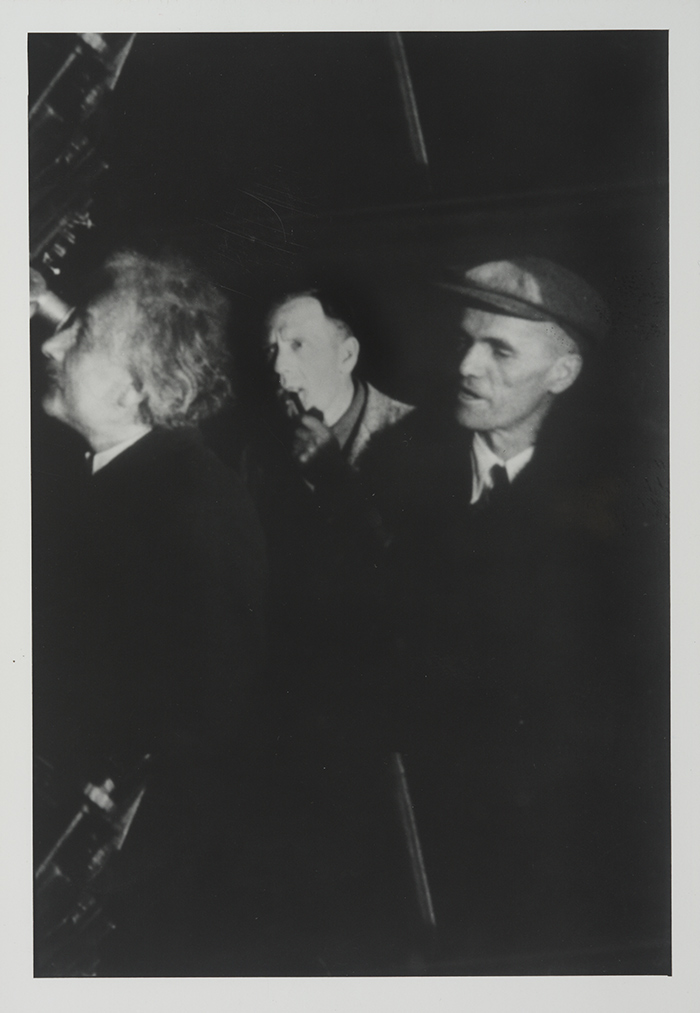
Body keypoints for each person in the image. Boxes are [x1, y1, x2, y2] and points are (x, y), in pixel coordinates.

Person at [370, 257, 669, 973]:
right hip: (415, 840)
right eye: (465, 339)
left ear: (563, 372)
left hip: (562, 860)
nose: (466, 366)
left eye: (500, 350)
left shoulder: (633, 508)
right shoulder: (395, 468)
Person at [32, 250, 267, 975]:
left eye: (78, 335)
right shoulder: (140, 475)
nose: (50, 346)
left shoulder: (192, 510)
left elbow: (202, 735)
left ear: (136, 389)